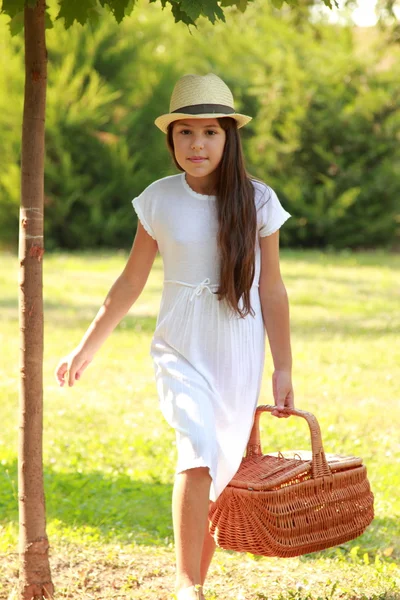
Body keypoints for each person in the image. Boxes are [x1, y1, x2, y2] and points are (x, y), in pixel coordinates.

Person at [55, 73, 294, 600]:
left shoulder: (258, 201)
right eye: (184, 132)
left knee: (222, 463)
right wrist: (86, 346)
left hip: (236, 348)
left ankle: (197, 586)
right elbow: (130, 281)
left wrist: (283, 368)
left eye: (209, 132)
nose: (197, 144)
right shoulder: (158, 199)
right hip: (179, 347)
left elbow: (272, 290)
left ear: (229, 136)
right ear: (171, 140)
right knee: (199, 448)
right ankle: (186, 587)